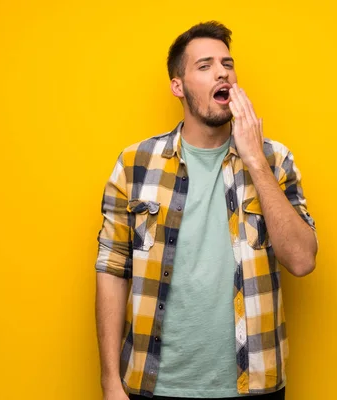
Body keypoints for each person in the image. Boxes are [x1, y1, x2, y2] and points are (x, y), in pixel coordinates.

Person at [94, 21, 318, 400]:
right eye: (205, 65)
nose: (221, 72)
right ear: (178, 86)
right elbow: (112, 269)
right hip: (153, 388)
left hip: (255, 387)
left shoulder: (274, 160)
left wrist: (255, 162)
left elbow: (301, 260)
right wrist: (110, 382)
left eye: (227, 64)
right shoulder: (136, 164)